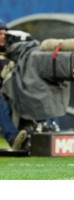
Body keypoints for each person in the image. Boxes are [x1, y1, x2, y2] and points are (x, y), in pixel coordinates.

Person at [0, 21, 28, 150]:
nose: (3, 37)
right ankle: (13, 138)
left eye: (5, 34)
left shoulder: (14, 52)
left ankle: (40, 132)